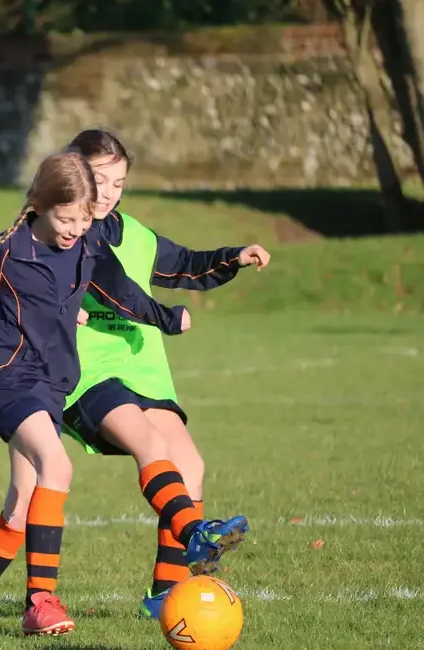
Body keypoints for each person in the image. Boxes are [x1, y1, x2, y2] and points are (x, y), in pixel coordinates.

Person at [0, 149, 194, 636]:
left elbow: (122, 292)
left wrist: (165, 317)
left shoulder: (89, 247)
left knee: (22, 506)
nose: (74, 229)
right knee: (57, 465)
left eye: (83, 219)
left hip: (51, 383)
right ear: (39, 206)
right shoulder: (7, 249)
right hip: (4, 378)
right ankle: (41, 603)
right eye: (65, 218)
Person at [61, 128, 270, 619]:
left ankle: (164, 596)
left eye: (119, 182)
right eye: (99, 180)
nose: (109, 192)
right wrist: (164, 316)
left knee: (190, 465)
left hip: (144, 370)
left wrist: (232, 258)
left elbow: (186, 265)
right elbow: (112, 287)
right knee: (151, 448)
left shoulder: (134, 232)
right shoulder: (63, 231)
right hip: (91, 372)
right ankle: (196, 534)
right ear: (74, 174)